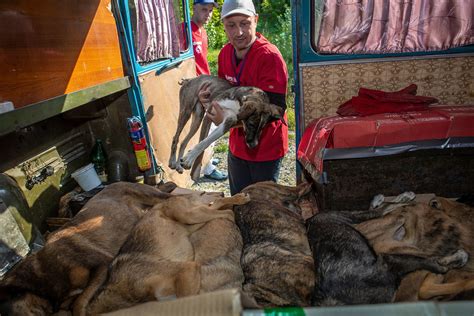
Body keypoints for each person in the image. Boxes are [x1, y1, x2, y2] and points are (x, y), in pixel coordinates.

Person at [199, 0, 289, 195]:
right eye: (231, 25)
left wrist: (227, 121)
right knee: (238, 200)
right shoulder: (224, 54)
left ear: (255, 21)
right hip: (237, 147)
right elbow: (224, 97)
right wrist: (208, 101)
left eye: (245, 23)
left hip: (265, 147)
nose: (238, 32)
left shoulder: (269, 57)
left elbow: (277, 110)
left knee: (262, 206)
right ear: (223, 26)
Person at [188, 0, 228, 181]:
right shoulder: (185, 30)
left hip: (206, 84)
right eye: (204, 9)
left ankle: (207, 159)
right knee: (208, 125)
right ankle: (208, 168)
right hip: (197, 87)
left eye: (211, 11)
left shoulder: (202, 31)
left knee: (212, 122)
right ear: (193, 8)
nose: (208, 14)